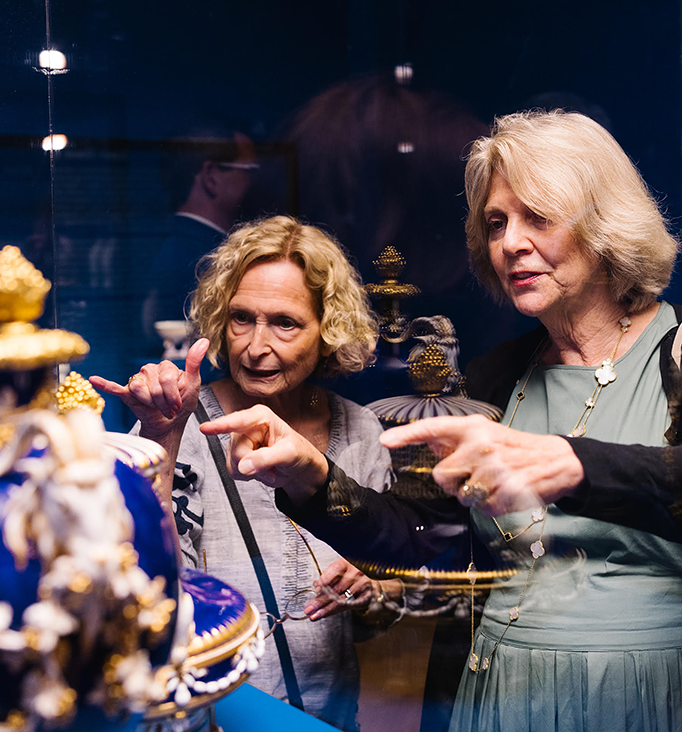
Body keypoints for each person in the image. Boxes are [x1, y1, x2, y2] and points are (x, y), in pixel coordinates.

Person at [199, 111, 682, 732]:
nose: (510, 243)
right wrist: (314, 477)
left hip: (643, 692)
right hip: (496, 694)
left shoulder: (674, 353)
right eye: (496, 223)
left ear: (604, 224)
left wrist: (578, 464)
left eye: (538, 217)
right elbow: (417, 536)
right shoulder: (494, 379)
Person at [91, 215, 403, 731]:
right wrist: (164, 437)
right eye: (241, 318)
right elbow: (146, 588)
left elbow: (389, 601)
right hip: (214, 716)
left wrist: (372, 592)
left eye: (285, 323)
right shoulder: (183, 426)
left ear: (328, 331)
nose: (256, 347)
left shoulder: (361, 431)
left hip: (329, 715)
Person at [142, 114, 259, 342]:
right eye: (249, 171)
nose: (255, 182)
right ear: (211, 176)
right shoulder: (203, 257)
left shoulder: (168, 245)